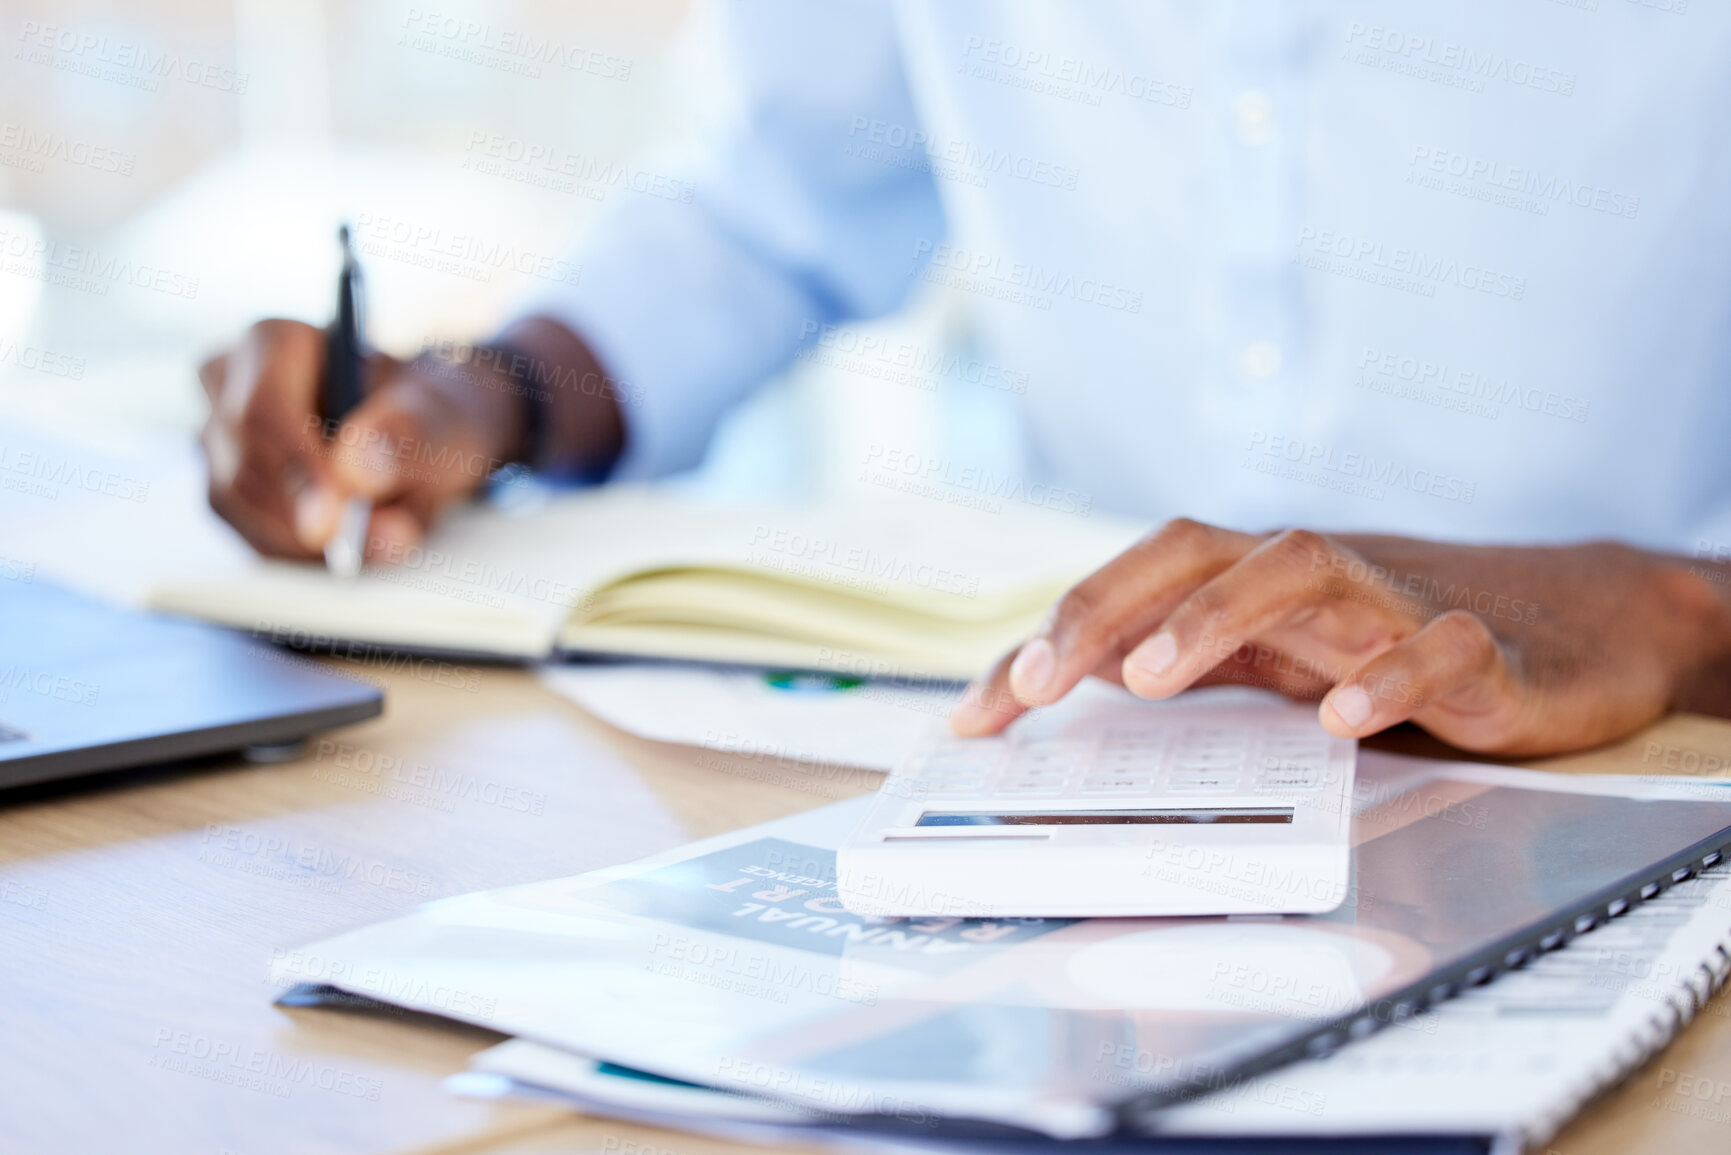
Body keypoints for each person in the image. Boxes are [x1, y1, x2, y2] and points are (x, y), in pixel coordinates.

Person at [197, 2, 1731, 758]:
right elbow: (780, 205)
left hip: (1665, 751)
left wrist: (1674, 609)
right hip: (1125, 747)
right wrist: (490, 395)